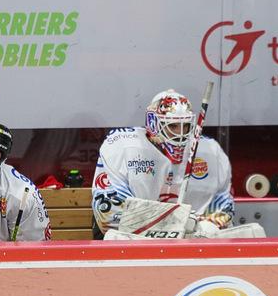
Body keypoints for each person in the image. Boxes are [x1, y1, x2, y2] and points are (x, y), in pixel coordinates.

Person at [92, 89, 234, 237]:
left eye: (185, 125)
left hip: (190, 243)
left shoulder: (211, 150)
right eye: (172, 126)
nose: (181, 134)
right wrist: (173, 223)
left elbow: (224, 209)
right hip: (133, 241)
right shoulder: (121, 145)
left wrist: (203, 226)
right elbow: (108, 215)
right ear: (153, 122)